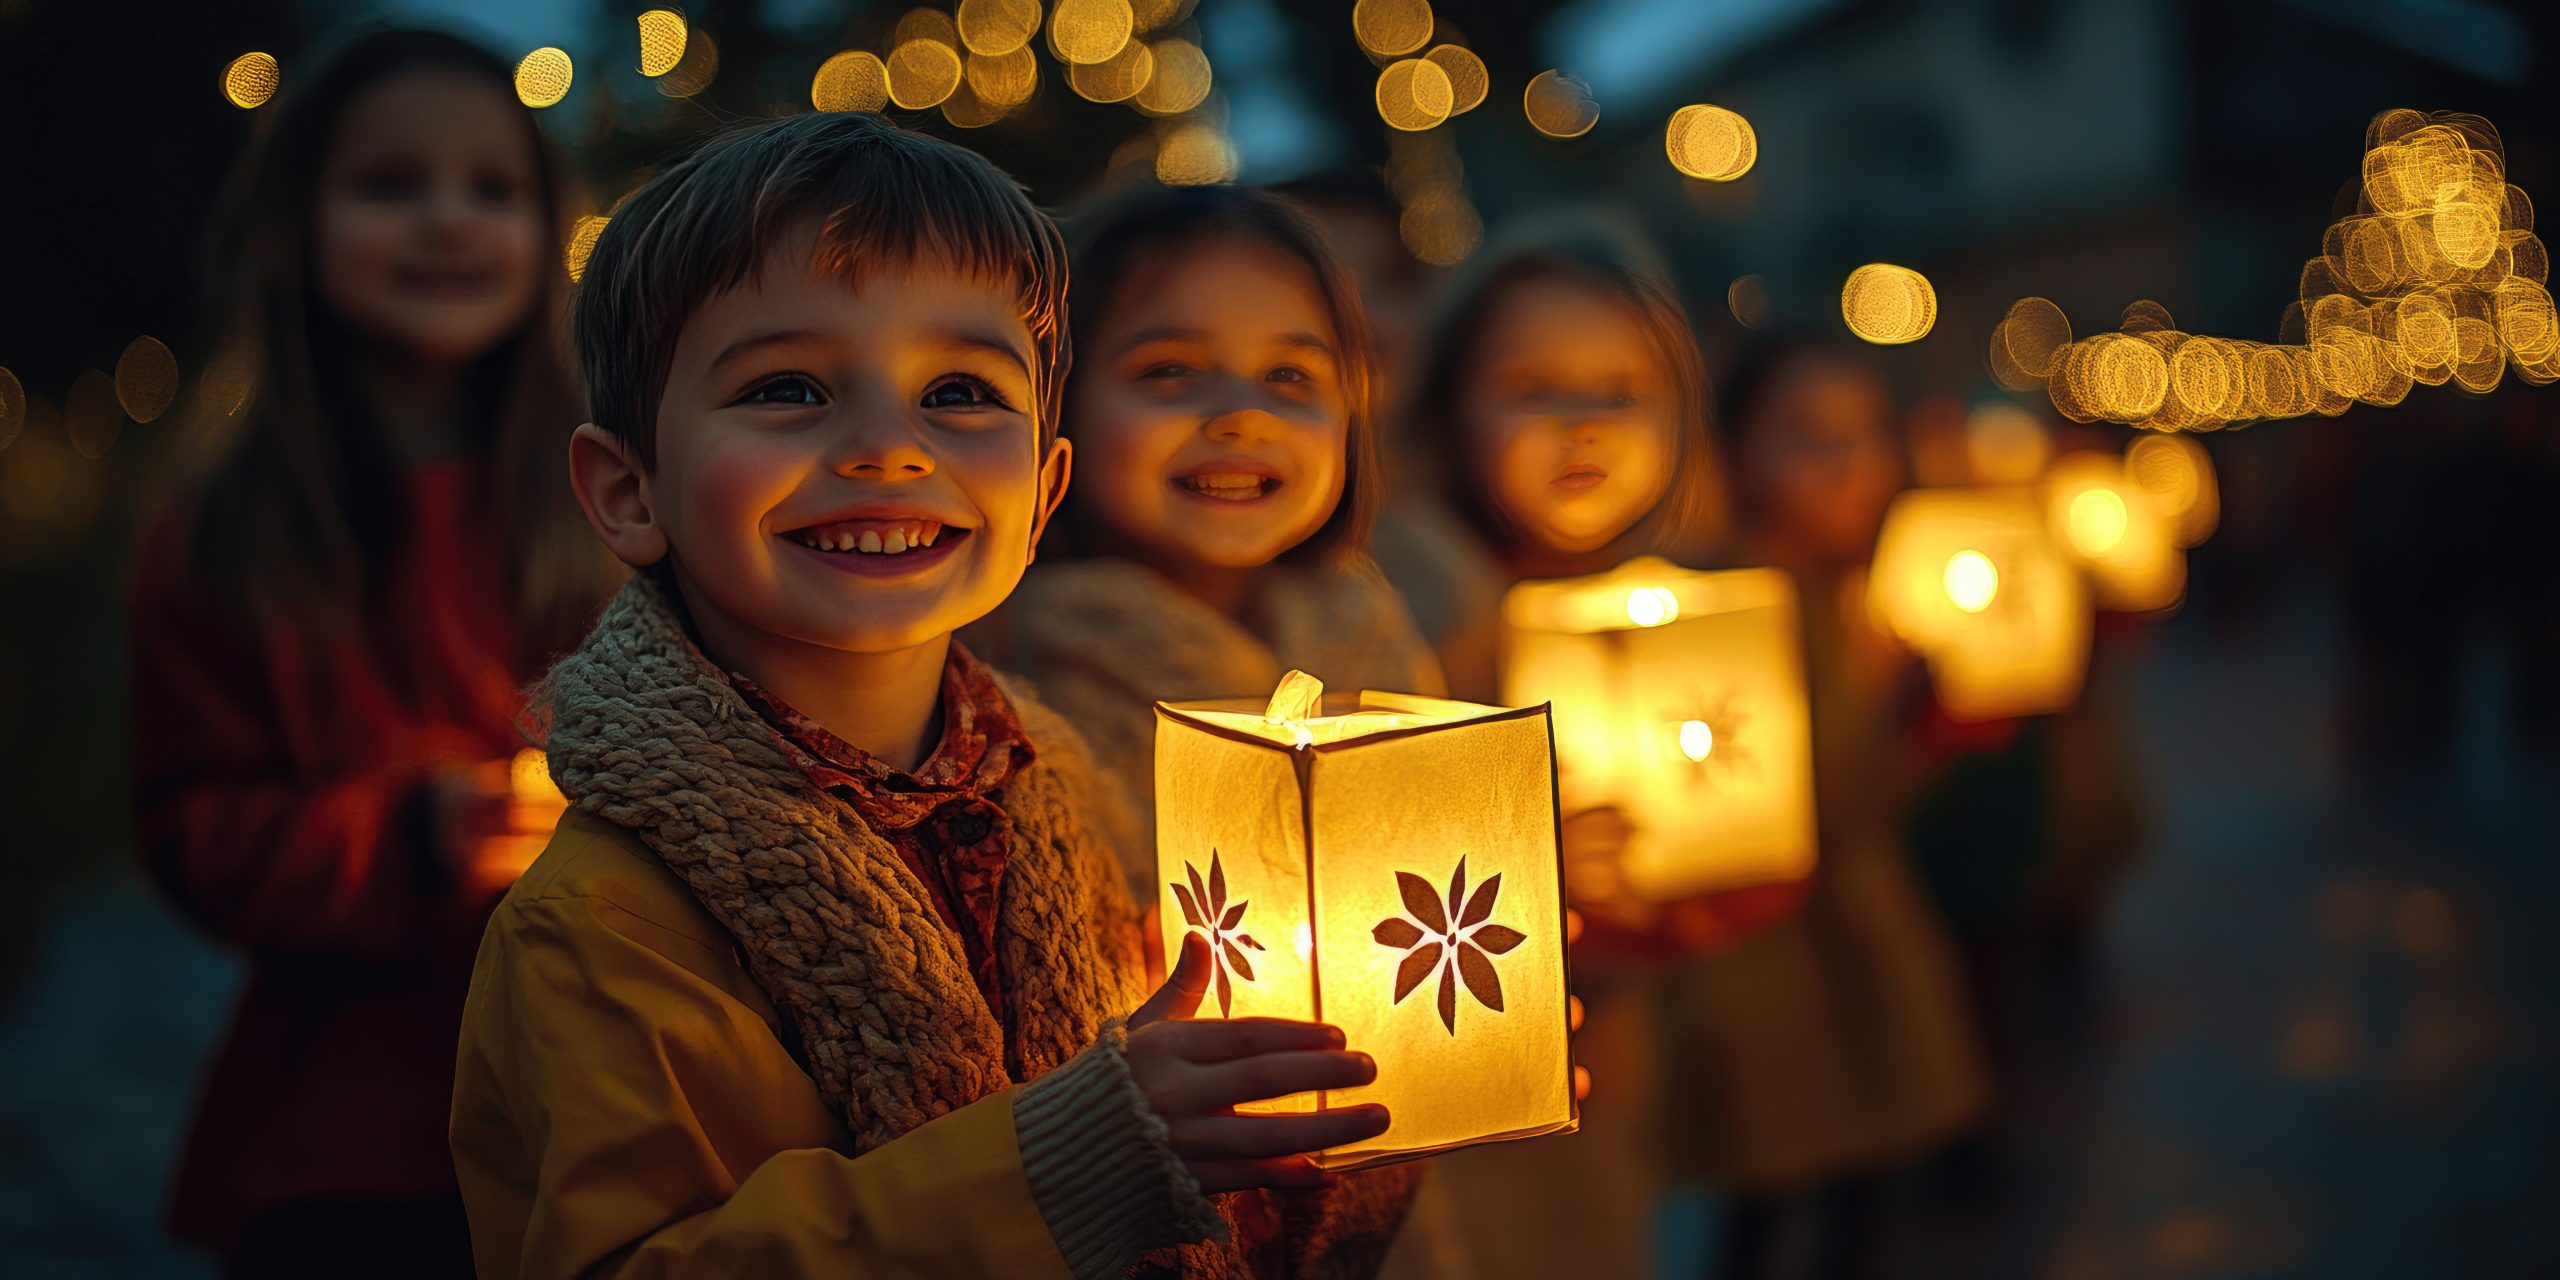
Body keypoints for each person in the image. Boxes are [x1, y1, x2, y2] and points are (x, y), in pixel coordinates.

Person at [450, 112, 1413, 1279]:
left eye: (959, 389)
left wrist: (1384, 1086)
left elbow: (1189, 1165)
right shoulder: (604, 922)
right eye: (789, 386)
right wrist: (1066, 1161)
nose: (886, 446)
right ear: (627, 488)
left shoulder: (1062, 814)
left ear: (1043, 490)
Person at [127, 29, 618, 1276]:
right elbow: (194, 825)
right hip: (343, 1128)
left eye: (491, 188)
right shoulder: (227, 528)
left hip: (592, 1093)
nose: (447, 220)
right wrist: (409, 837)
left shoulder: (609, 507)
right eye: (391, 185)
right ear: (297, 219)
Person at [972, 182, 1442, 889]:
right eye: (1171, 371)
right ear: (1057, 402)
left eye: (1289, 375)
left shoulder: (1372, 636)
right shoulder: (1018, 674)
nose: (1242, 416)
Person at [1653, 335, 1991, 1280]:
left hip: (1859, 935)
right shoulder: (1725, 611)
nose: (1850, 465)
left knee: (1859, 1200)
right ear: (1736, 454)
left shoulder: (1852, 589)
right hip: (1768, 967)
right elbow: (1795, 805)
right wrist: (1913, 719)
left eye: (1866, 432)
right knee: (1770, 1205)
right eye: (1807, 438)